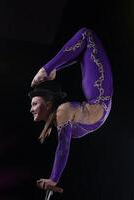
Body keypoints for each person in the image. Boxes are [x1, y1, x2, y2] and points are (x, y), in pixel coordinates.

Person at [29, 27, 113, 190]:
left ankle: (47, 70)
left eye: (34, 104)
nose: (31, 109)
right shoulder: (60, 117)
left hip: (101, 92)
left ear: (47, 104)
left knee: (86, 35)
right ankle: (50, 69)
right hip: (100, 96)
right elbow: (63, 144)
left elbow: (63, 146)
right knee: (84, 43)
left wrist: (54, 179)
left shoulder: (63, 111)